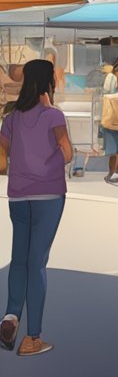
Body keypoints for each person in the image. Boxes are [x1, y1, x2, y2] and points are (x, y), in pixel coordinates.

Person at [0, 59, 72, 357]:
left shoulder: (11, 116)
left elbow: (2, 154)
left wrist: (18, 166)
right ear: (48, 83)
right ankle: (32, 338)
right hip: (49, 194)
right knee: (37, 263)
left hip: (18, 195)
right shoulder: (53, 115)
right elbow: (67, 154)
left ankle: (10, 316)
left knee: (19, 259)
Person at [99, 61, 118, 183]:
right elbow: (109, 95)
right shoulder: (112, 78)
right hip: (117, 123)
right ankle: (115, 174)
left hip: (115, 124)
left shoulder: (113, 80)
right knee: (117, 152)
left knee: (116, 151)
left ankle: (115, 174)